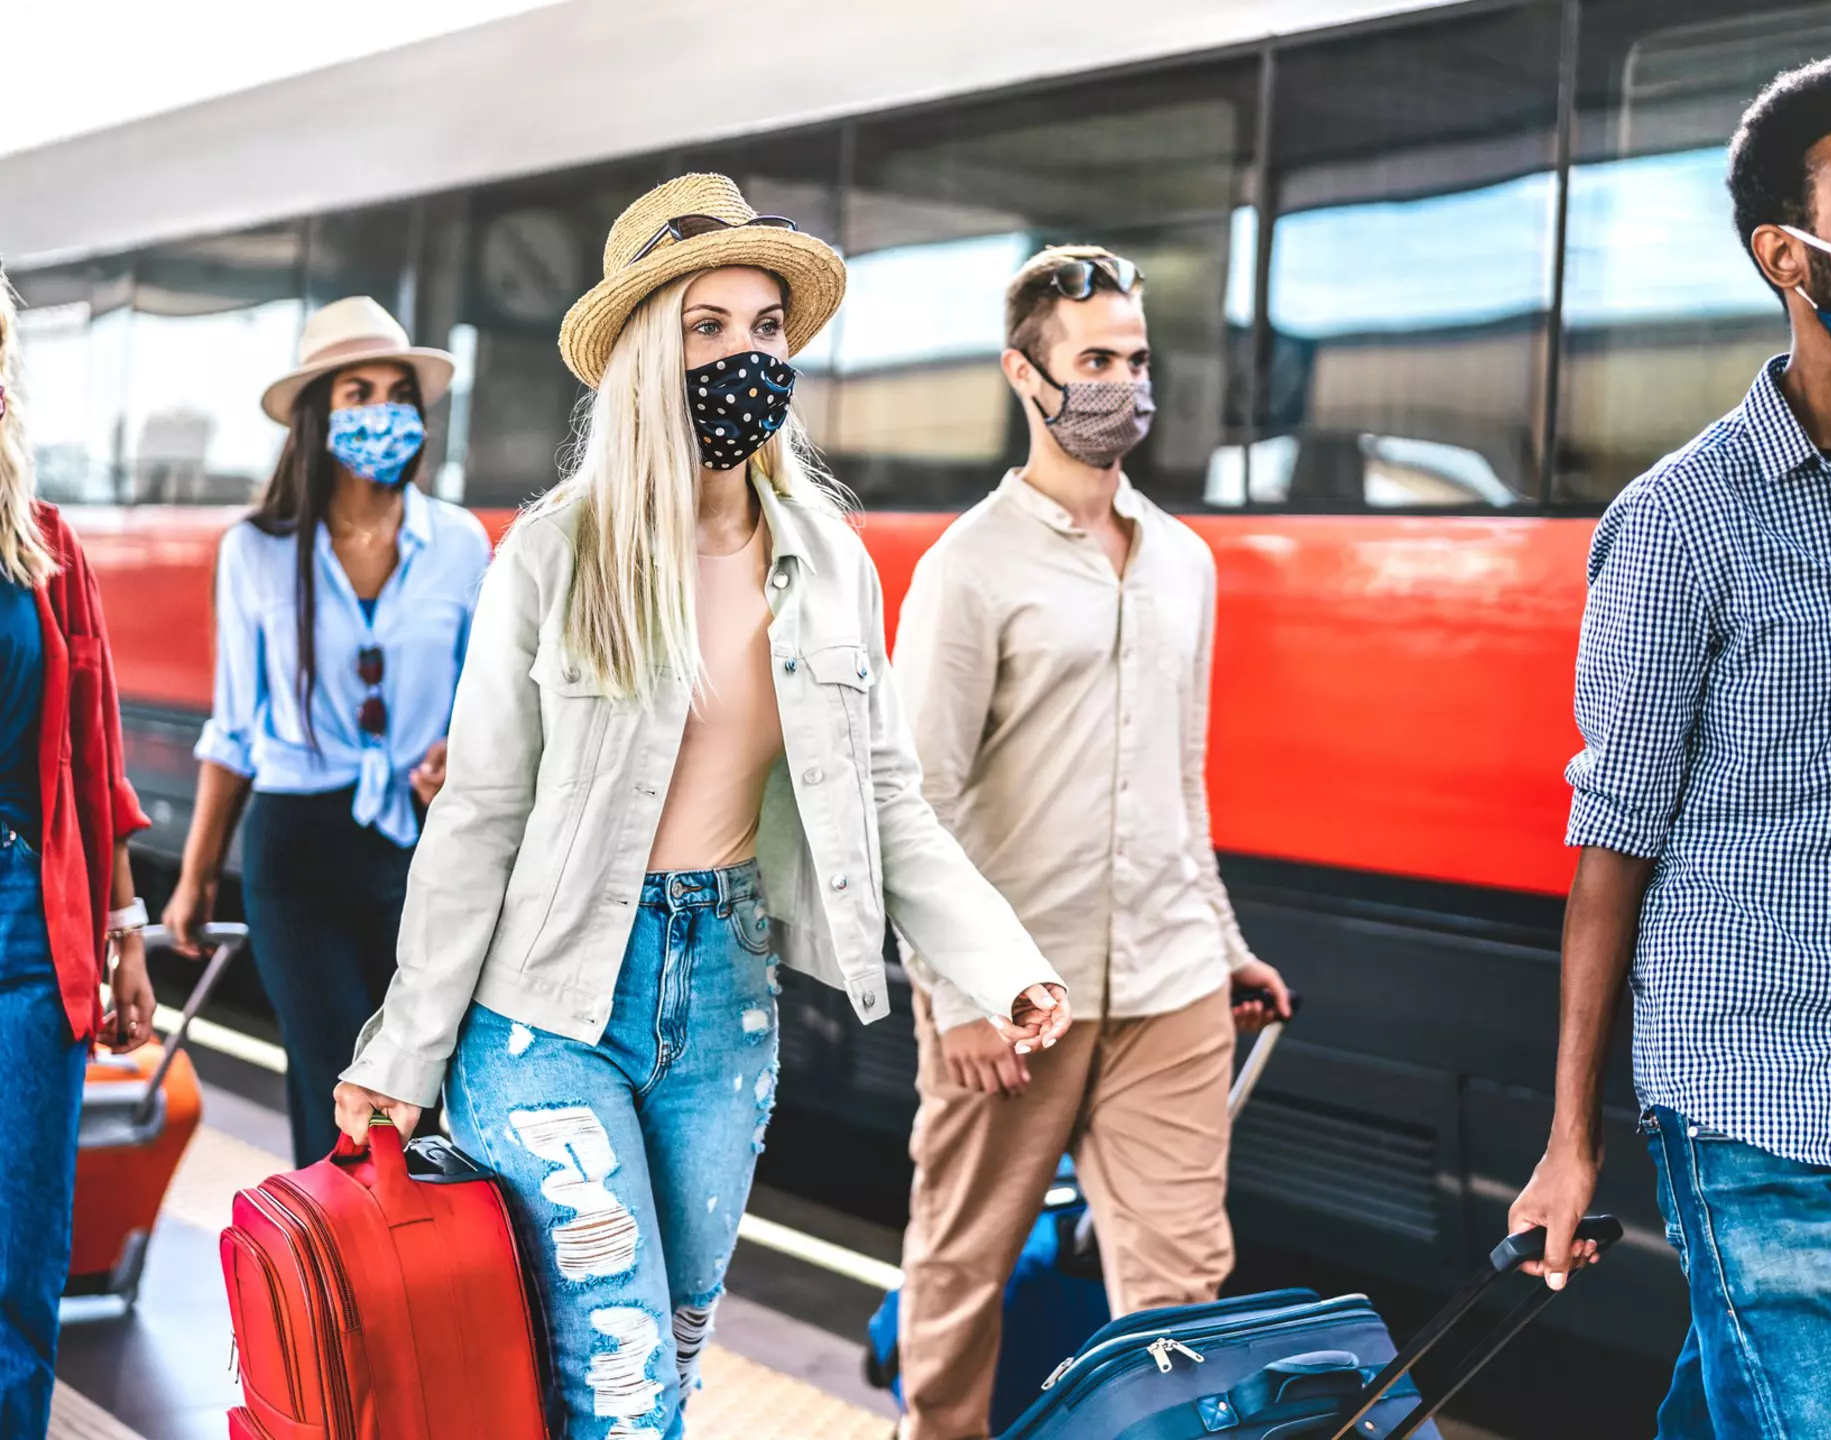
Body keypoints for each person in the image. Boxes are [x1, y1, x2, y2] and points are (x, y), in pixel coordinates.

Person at [330, 173, 1071, 1440]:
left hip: (726, 997)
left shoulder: (829, 558)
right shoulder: (558, 552)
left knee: (667, 1358)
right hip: (549, 1009)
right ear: (638, 359)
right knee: (619, 1383)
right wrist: (402, 1053)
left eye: (765, 327)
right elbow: (481, 816)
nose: (744, 354)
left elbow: (887, 798)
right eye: (705, 328)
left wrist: (1004, 967)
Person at [1509, 57, 1831, 1439]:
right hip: (1741, 1076)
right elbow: (1610, 843)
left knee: (1732, 1395)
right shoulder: (1682, 521)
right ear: (1788, 256)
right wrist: (1572, 1142)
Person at [889, 245, 1291, 1440]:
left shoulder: (1184, 559)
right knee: (961, 1273)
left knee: (1182, 1287)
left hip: (1170, 982)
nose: (1125, 384)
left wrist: (1222, 943)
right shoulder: (970, 567)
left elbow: (1178, 781)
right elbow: (912, 798)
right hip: (1016, 990)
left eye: (1137, 360)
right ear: (1027, 375)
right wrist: (955, 993)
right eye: (1096, 362)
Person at [162, 296, 489, 1167]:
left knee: (423, 1094)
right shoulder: (257, 552)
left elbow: (486, 704)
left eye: (396, 393)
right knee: (340, 1092)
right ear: (319, 415)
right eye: (357, 392)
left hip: (422, 848)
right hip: (295, 854)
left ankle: (408, 1286)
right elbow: (234, 730)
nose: (381, 411)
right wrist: (196, 879)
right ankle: (339, 1297)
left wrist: (462, 753)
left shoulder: (460, 543)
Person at [0, 274, 155, 1438]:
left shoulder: (46, 548)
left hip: (23, 932)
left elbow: (98, 765)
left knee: (19, 1258)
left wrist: (124, 929)